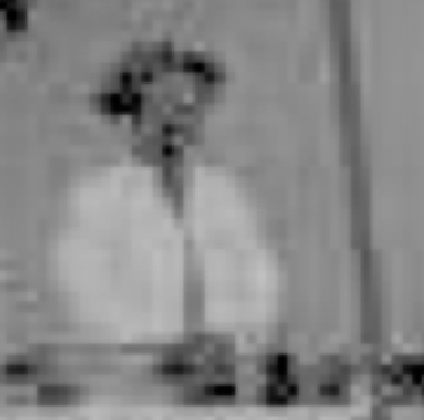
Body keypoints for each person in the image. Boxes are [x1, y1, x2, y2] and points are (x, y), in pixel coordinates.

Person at [41, 37, 287, 391]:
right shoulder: (96, 198)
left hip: (227, 383)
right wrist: (166, 352)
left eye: (190, 109)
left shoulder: (226, 194)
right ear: (134, 113)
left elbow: (264, 282)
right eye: (165, 106)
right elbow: (86, 300)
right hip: (134, 393)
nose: (179, 122)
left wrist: (228, 343)